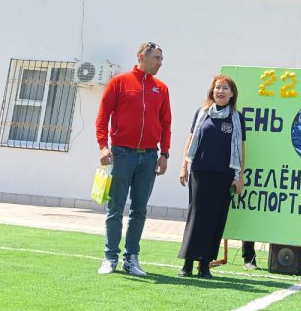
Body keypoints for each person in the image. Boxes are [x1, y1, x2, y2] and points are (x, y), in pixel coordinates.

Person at [95, 41, 171, 276]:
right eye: (157, 58)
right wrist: (103, 146)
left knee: (139, 210)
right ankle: (110, 257)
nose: (160, 63)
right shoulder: (119, 82)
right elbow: (103, 116)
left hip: (149, 157)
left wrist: (164, 154)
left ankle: (131, 259)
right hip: (122, 154)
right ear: (142, 57)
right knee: (115, 208)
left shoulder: (161, 88)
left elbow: (166, 124)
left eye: (161, 59)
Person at [178, 75, 245, 278]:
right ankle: (188, 263)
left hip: (224, 176)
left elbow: (241, 149)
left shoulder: (237, 118)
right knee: (196, 216)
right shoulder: (202, 113)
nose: (220, 91)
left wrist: (239, 177)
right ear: (212, 91)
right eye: (217, 87)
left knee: (215, 219)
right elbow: (190, 140)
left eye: (225, 88)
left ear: (232, 94)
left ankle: (204, 265)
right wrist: (183, 166)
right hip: (199, 172)